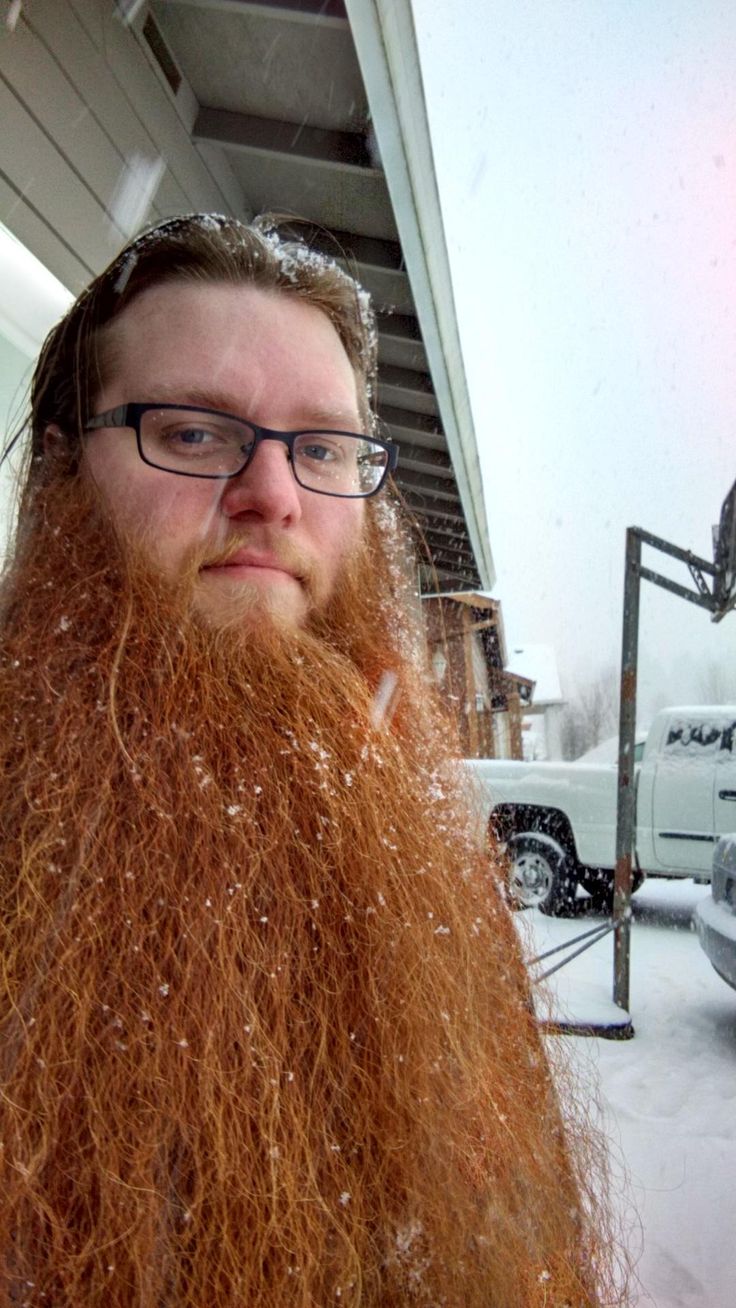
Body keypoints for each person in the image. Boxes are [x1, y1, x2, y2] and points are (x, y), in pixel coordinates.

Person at [0, 214, 623, 1306]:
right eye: (193, 432)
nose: (275, 495)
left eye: (323, 449)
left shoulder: (422, 865)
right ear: (60, 479)